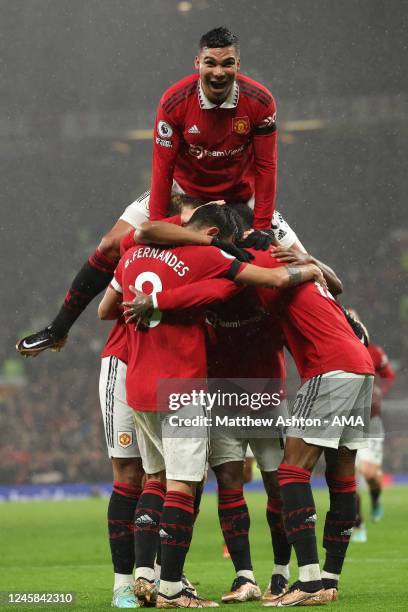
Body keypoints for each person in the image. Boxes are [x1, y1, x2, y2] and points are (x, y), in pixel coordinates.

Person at [125, 210, 375, 607]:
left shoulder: (251, 263)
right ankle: (325, 579)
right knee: (340, 475)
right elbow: (335, 284)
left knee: (291, 474)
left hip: (323, 370)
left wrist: (156, 299)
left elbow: (216, 291)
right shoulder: (287, 255)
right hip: (358, 365)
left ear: (229, 237)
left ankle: (304, 580)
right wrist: (312, 265)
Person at [16, 25, 278, 357]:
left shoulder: (260, 101)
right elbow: (161, 168)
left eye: (227, 63)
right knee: (111, 243)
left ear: (238, 66)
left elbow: (267, 166)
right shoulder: (175, 101)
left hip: (238, 198)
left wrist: (264, 224)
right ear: (197, 62)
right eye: (211, 63)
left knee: (280, 249)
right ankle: (58, 329)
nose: (218, 72)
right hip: (182, 192)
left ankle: (341, 317)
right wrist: (160, 227)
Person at [99, 314, 144, 608]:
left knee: (180, 478)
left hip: (178, 367)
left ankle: (164, 577)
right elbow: (105, 308)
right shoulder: (127, 265)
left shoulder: (214, 267)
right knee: (129, 473)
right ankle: (123, 583)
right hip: (127, 360)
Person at [348, 316, 396, 542]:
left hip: (372, 421)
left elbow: (388, 376)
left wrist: (380, 390)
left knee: (369, 474)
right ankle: (358, 523)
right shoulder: (336, 350)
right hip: (348, 422)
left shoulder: (374, 352)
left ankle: (375, 498)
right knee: (348, 476)